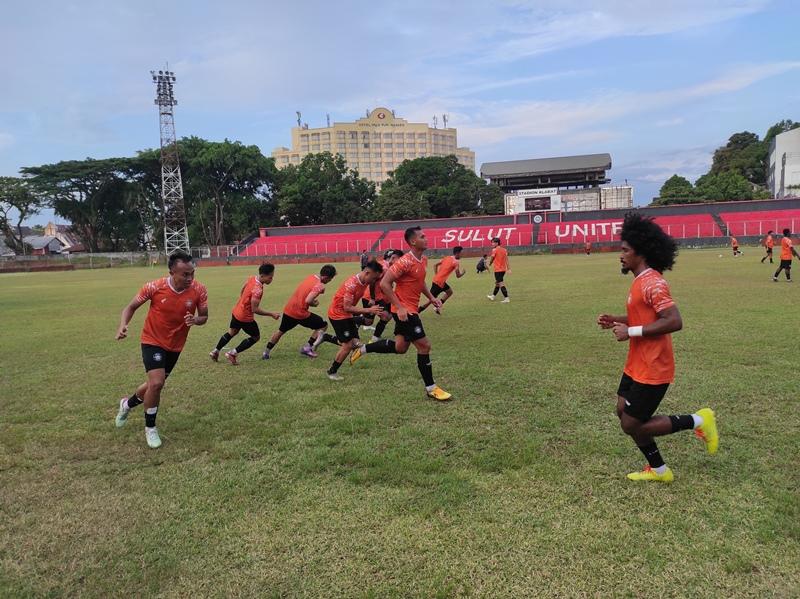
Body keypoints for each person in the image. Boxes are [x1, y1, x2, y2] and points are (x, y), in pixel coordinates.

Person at [597, 214, 718, 483]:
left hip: (654, 366)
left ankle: (699, 420)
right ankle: (660, 471)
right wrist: (617, 321)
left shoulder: (653, 282)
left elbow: (674, 321)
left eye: (625, 250)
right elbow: (645, 319)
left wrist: (631, 331)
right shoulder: (639, 280)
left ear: (641, 251)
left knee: (630, 423)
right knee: (622, 411)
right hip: (636, 362)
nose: (620, 255)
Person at [114, 251, 209, 449]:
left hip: (176, 344)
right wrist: (123, 325)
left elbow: (204, 317)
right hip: (152, 339)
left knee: (154, 384)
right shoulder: (154, 287)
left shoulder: (199, 290)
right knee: (157, 384)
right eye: (185, 274)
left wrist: (196, 320)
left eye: (192, 273)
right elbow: (129, 307)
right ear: (172, 272)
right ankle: (150, 428)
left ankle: (127, 404)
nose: (190, 278)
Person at [349, 227, 452, 401]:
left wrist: (432, 297)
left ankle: (364, 349)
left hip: (408, 309)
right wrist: (400, 307)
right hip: (405, 311)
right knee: (424, 346)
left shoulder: (422, 260)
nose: (426, 239)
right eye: (422, 237)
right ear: (413, 241)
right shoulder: (404, 262)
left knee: (400, 348)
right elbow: (385, 284)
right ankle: (431, 388)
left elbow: (420, 283)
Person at [210, 263, 280, 365]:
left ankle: (215, 351)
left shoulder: (252, 278)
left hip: (237, 311)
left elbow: (243, 290)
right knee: (256, 337)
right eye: (270, 277)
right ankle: (232, 353)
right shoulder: (258, 290)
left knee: (232, 332)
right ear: (262, 276)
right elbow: (255, 309)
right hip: (245, 317)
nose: (271, 279)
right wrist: (271, 314)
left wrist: (243, 301)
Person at [325, 260, 385, 380]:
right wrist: (369, 310)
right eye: (373, 278)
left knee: (355, 342)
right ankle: (332, 372)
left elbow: (372, 285)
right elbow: (347, 308)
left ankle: (325, 337)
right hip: (338, 315)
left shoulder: (366, 281)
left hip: (346, 315)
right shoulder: (351, 285)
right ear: (367, 272)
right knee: (347, 345)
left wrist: (372, 299)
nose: (373, 281)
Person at [262, 264, 338, 359]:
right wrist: (314, 303)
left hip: (289, 309)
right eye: (330, 279)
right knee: (323, 325)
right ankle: (307, 347)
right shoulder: (319, 286)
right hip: (300, 313)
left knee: (280, 331)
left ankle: (266, 352)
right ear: (326, 277)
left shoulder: (311, 277)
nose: (329, 281)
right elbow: (308, 300)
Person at [362, 249, 403, 342]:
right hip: (373, 297)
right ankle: (353, 321)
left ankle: (376, 337)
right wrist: (372, 298)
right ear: (390, 258)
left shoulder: (391, 267)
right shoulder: (384, 268)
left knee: (389, 315)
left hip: (383, 297)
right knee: (370, 321)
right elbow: (372, 281)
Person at [420, 245, 465, 312]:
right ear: (457, 253)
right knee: (430, 300)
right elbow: (458, 275)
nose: (462, 255)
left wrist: (437, 275)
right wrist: (463, 273)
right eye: (461, 253)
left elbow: (435, 265)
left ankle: (437, 307)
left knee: (449, 292)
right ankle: (417, 311)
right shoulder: (456, 262)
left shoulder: (447, 258)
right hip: (439, 283)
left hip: (440, 281)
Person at [486, 237, 510, 303]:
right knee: (497, 283)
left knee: (501, 283)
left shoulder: (494, 250)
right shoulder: (504, 250)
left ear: (497, 243)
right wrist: (508, 268)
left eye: (493, 242)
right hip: (503, 270)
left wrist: (490, 263)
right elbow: (506, 260)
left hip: (498, 270)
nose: (492, 244)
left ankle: (506, 298)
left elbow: (492, 258)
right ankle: (493, 296)